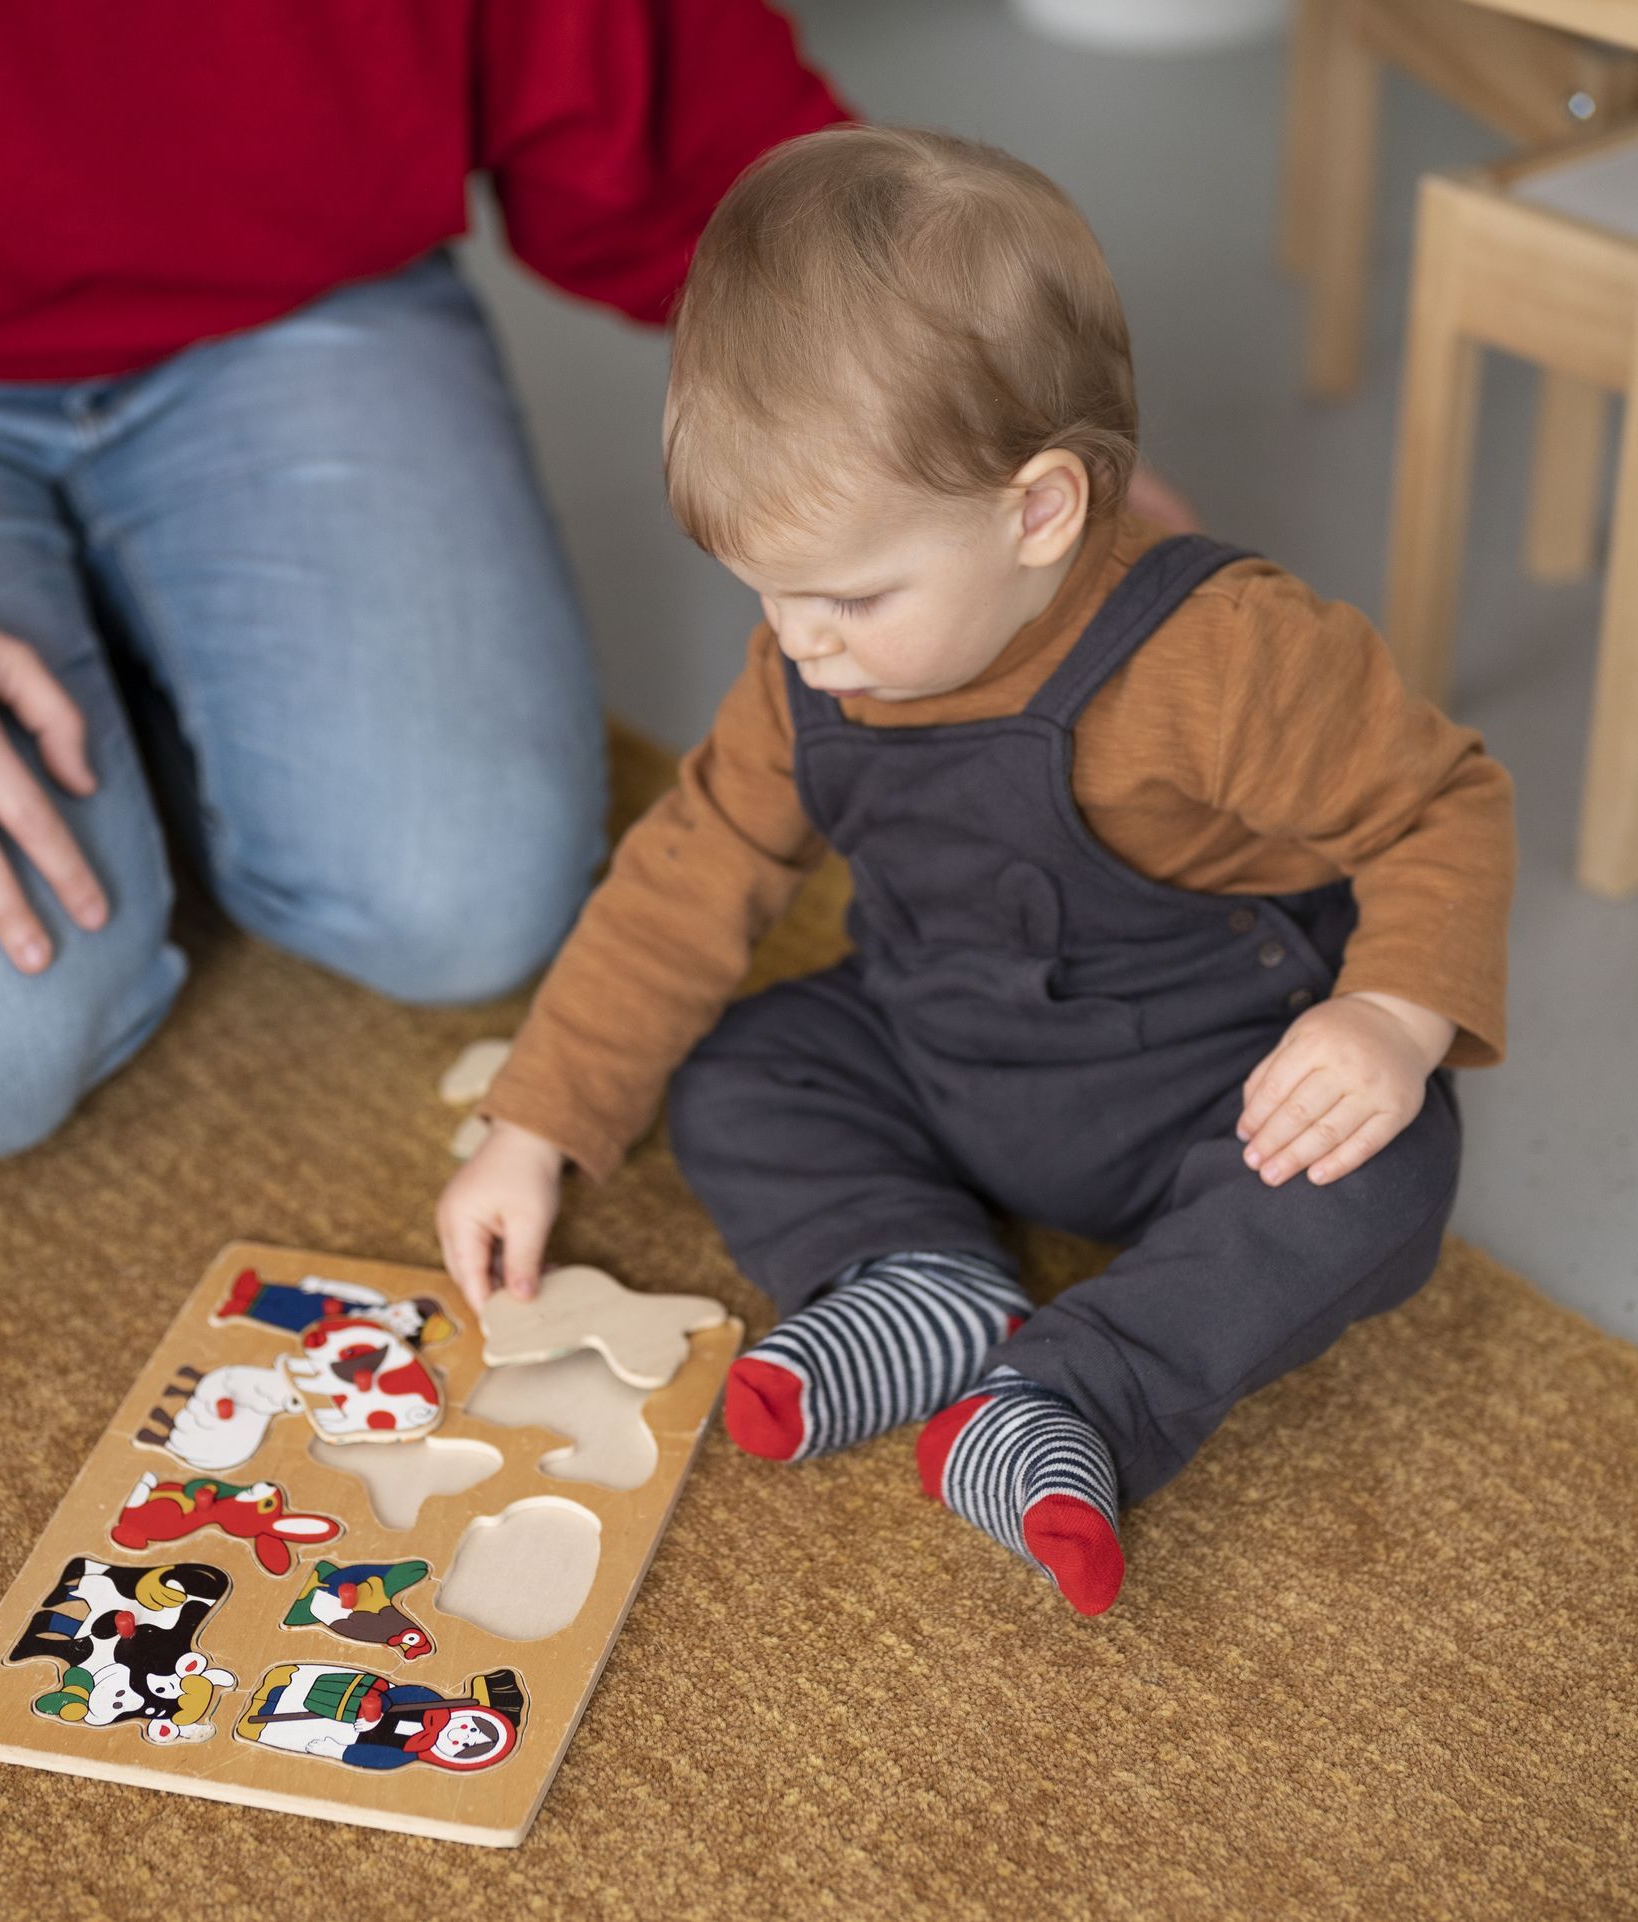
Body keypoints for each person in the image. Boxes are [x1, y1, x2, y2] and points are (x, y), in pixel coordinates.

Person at [436, 126, 1514, 1616]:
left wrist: (1390, 1016)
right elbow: (692, 871)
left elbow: (1440, 803)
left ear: (1039, 510)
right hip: (938, 1046)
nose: (799, 643)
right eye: (767, 595)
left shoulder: (1226, 652)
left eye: (850, 596)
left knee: (1384, 1176)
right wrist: (534, 1126)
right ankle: (920, 1280)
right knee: (738, 1069)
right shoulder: (809, 656)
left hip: (1215, 1093)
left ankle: (1076, 1392)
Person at [0, 2, 848, 1173]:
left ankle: (133, 650)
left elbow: (669, 104)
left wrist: (951, 391)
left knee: (459, 903)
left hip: (286, 295)